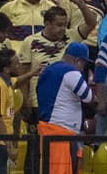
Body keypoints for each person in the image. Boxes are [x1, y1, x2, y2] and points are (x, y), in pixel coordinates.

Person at [34, 42, 93, 174]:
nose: (83, 68)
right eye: (84, 64)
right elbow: (88, 96)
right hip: (62, 132)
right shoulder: (71, 71)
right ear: (78, 61)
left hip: (46, 129)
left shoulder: (48, 69)